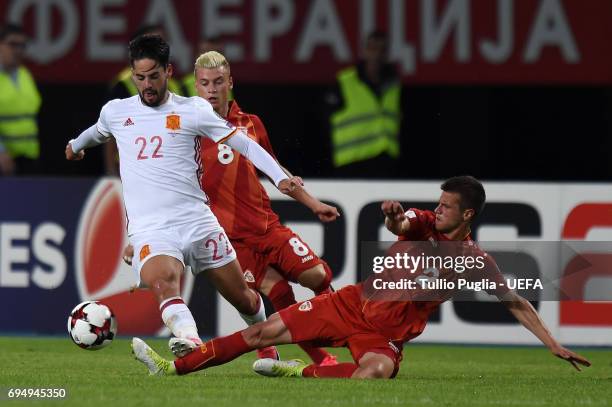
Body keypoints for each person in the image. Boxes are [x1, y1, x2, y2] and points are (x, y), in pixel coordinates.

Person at [131, 176, 591, 379]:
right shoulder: (425, 224)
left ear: (467, 215)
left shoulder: (473, 260)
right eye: (439, 201)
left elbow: (514, 300)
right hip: (349, 303)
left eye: (447, 205)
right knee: (260, 331)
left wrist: (550, 343)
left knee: (373, 372)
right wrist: (393, 217)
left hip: (384, 336)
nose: (438, 208)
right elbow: (403, 223)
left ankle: (303, 374)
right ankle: (175, 366)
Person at [66, 35, 302, 360]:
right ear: (132, 74)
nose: (146, 85)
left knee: (245, 300)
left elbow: (244, 144)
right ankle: (190, 339)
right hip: (151, 229)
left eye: (153, 76)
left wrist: (280, 177)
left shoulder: (193, 110)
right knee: (164, 282)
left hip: (198, 222)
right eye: (139, 77)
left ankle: (268, 351)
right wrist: (75, 146)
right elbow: (97, 131)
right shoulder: (117, 112)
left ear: (168, 71)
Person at [124, 50, 339, 365]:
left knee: (318, 276)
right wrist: (140, 237)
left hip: (267, 226)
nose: (211, 89)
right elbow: (155, 187)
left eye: (218, 82)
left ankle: (351, 331)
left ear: (230, 83)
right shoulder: (183, 129)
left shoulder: (251, 125)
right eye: (204, 83)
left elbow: (276, 170)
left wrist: (313, 203)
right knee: (277, 292)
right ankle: (321, 358)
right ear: (195, 87)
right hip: (229, 239)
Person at [104, 25, 184, 175]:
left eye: (163, 41)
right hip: (131, 169)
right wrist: (111, 174)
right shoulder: (122, 85)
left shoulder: (174, 84)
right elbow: (110, 133)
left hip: (168, 169)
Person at [326, 30, 401, 178]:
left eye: (382, 50)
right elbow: (325, 120)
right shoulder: (345, 81)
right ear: (365, 51)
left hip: (386, 163)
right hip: (352, 163)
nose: (377, 54)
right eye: (373, 48)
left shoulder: (393, 84)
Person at [0, 23, 41, 175]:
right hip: (4, 160)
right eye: (12, 44)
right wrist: (1, 151)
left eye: (22, 46)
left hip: (28, 159)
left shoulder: (25, 75)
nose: (18, 50)